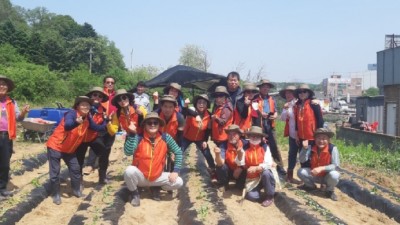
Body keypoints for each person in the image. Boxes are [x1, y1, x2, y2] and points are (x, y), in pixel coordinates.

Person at [46, 96, 106, 205]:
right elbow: (68, 126)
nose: (85, 107)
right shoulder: (71, 114)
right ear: (77, 106)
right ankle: (56, 194)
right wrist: (76, 123)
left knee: (75, 169)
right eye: (83, 104)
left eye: (88, 105)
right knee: (55, 172)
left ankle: (76, 190)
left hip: (69, 150)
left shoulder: (87, 118)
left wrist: (106, 121)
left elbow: (97, 128)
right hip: (56, 146)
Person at [123, 112, 183, 206]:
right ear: (144, 125)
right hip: (141, 177)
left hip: (157, 176)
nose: (152, 125)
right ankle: (135, 194)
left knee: (179, 182)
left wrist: (176, 170)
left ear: (159, 125)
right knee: (129, 171)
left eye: (155, 123)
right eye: (149, 123)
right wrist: (131, 134)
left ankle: (156, 187)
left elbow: (178, 152)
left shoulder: (166, 138)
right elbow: (128, 152)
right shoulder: (138, 138)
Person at [0, 75, 29, 197]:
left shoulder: (11, 102)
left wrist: (23, 112)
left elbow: (18, 118)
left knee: (5, 164)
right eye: (0, 83)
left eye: (4, 84)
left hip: (6, 136)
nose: (2, 86)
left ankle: (1, 188)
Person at [83, 76, 117, 175]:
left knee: (107, 146)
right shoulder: (100, 94)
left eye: (112, 82)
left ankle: (102, 169)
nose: (110, 84)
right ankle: (90, 165)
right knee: (96, 143)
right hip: (100, 121)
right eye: (107, 82)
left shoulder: (116, 96)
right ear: (104, 83)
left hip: (112, 123)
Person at [75, 87, 109, 185]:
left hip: (93, 137)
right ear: (90, 96)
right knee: (79, 158)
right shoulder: (83, 107)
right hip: (81, 137)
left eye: (100, 96)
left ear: (102, 99)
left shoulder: (103, 110)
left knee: (104, 153)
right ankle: (79, 180)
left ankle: (102, 177)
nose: (97, 97)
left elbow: (100, 126)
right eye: (95, 95)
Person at [236, 126, 276, 207]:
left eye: (257, 136)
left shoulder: (264, 147)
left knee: (266, 173)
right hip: (252, 178)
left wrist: (257, 168)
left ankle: (270, 196)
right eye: (252, 135)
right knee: (253, 197)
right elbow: (239, 163)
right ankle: (258, 191)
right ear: (249, 136)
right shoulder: (245, 147)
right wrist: (239, 155)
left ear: (261, 138)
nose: (254, 137)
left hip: (263, 175)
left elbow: (268, 163)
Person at [297, 128, 340, 201]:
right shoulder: (310, 146)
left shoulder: (332, 148)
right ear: (315, 139)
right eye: (318, 138)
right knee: (301, 171)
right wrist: (304, 149)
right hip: (314, 174)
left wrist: (321, 168)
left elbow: (335, 165)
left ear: (328, 140)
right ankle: (310, 186)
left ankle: (329, 191)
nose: (321, 141)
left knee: (335, 175)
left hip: (326, 176)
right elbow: (301, 160)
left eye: (324, 138)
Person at [255, 79, 286, 176]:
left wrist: (275, 115)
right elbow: (253, 110)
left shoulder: (272, 99)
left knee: (274, 146)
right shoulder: (255, 98)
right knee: (259, 145)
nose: (265, 88)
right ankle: (261, 166)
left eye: (267, 87)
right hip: (259, 125)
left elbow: (276, 110)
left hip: (270, 124)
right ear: (260, 88)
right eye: (263, 86)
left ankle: (280, 167)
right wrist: (260, 114)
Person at [182, 94, 215, 173]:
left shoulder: (209, 115)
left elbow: (208, 129)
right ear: (196, 104)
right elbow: (185, 111)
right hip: (186, 137)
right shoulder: (191, 110)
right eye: (199, 102)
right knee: (178, 152)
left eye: (204, 103)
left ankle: (213, 168)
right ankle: (172, 170)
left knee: (207, 153)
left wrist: (205, 140)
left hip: (200, 138)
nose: (201, 104)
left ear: (207, 105)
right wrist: (186, 106)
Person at [294, 84, 324, 164]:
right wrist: (297, 134)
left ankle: (315, 175)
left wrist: (318, 136)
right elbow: (297, 122)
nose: (302, 93)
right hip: (301, 137)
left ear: (308, 93)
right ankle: (304, 175)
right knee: (303, 160)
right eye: (300, 92)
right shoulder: (297, 106)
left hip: (312, 137)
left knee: (312, 159)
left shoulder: (314, 104)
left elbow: (320, 121)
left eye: (304, 91)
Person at [213, 125, 247, 190]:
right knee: (220, 166)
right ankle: (223, 184)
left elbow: (249, 161)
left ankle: (240, 184)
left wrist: (241, 168)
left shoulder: (246, 144)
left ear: (239, 135)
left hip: (241, 171)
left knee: (240, 187)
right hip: (228, 171)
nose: (231, 136)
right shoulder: (223, 145)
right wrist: (217, 154)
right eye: (230, 134)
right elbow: (220, 163)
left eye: (234, 134)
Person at [157, 95, 185, 173]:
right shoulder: (156, 115)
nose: (167, 109)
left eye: (170, 107)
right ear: (161, 107)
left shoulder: (180, 118)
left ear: (174, 108)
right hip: (158, 142)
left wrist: (175, 152)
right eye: (165, 106)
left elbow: (180, 137)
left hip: (173, 143)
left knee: (173, 162)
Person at [279, 85, 301, 183]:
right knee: (292, 154)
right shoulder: (287, 105)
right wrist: (284, 109)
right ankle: (289, 175)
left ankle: (304, 177)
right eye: (286, 93)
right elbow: (283, 118)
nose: (288, 95)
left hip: (302, 134)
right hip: (292, 134)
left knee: (304, 155)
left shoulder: (299, 104)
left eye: (290, 93)